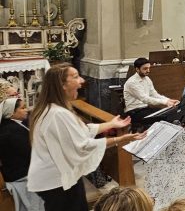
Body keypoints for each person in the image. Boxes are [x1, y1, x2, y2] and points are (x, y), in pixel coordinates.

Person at [28, 63, 146, 211]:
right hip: (58, 181)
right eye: (76, 77)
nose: (81, 81)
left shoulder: (51, 108)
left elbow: (81, 130)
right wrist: (120, 140)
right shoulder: (58, 114)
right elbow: (82, 146)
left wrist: (110, 124)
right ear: (62, 85)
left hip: (55, 178)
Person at [0, 98, 44, 211]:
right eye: (22, 108)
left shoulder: (7, 126)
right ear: (11, 113)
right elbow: (31, 153)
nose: (27, 110)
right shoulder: (12, 132)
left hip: (13, 170)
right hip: (21, 176)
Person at [123, 57, 179, 129]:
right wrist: (165, 102)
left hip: (145, 109)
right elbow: (145, 99)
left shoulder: (147, 79)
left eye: (149, 68)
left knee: (170, 113)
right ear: (137, 69)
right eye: (145, 69)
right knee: (164, 117)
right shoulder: (132, 82)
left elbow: (154, 94)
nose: (148, 70)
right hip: (134, 112)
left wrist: (168, 100)